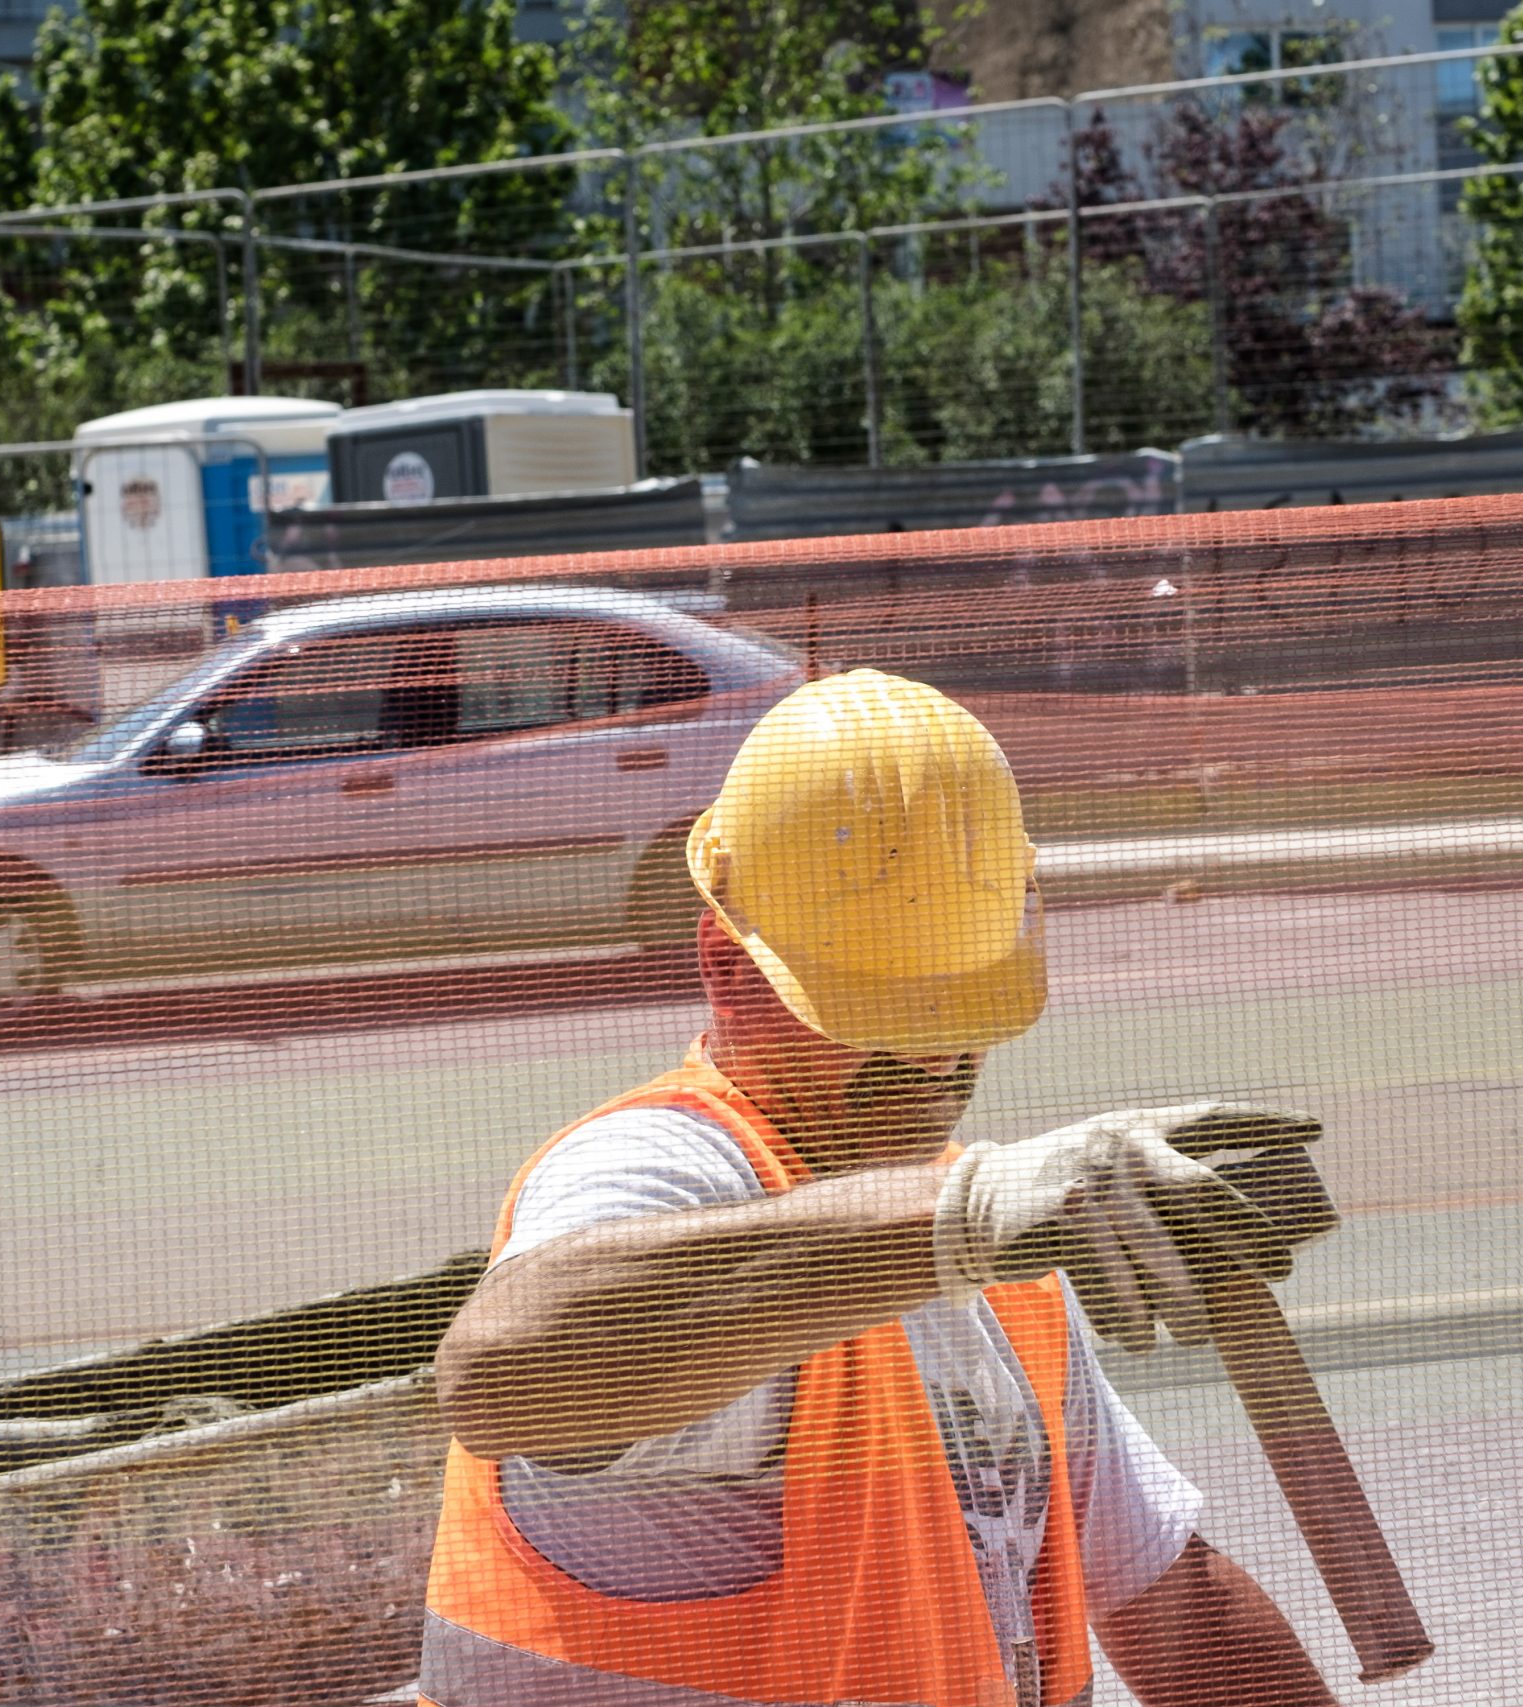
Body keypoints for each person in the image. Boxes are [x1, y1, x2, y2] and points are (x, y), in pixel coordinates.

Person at [425, 669, 1333, 1707]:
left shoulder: (997, 1245)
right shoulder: (664, 1169)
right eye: (877, 1013)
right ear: (727, 964)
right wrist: (966, 1223)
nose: (936, 1066)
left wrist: (976, 1222)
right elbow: (502, 1378)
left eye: (958, 1012)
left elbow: (1171, 1609)